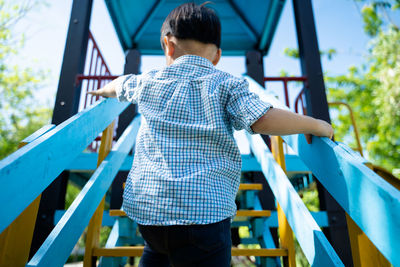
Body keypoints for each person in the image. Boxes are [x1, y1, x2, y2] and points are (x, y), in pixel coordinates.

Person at [89, 2, 333, 266]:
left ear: (168, 45)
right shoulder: (226, 84)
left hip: (150, 214)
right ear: (217, 56)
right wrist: (314, 124)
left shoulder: (147, 81)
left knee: (157, 252)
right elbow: (262, 119)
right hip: (203, 216)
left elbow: (119, 85)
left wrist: (102, 91)